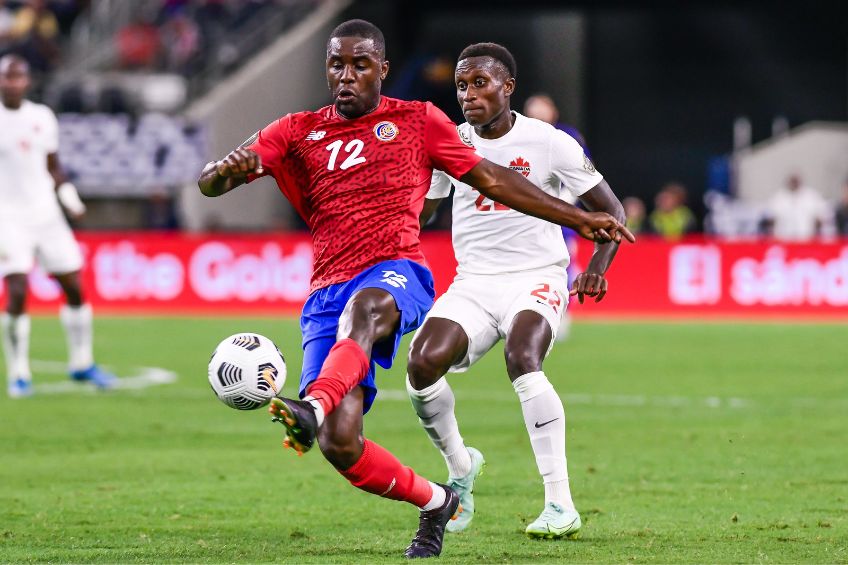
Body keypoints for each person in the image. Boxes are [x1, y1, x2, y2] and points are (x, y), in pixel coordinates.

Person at [197, 20, 633, 559]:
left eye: (360, 65)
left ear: (382, 68)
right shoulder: (296, 129)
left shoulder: (418, 121)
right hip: (333, 289)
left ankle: (313, 404)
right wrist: (224, 172)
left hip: (397, 273)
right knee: (341, 442)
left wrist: (579, 220)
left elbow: (491, 179)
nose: (346, 75)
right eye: (337, 64)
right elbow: (211, 183)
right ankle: (437, 499)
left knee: (382, 314)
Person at [406, 42, 628, 540]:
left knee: (522, 356)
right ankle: (460, 468)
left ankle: (560, 504)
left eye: (480, 83)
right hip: (474, 284)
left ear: (508, 87)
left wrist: (597, 265)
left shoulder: (550, 143)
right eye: (461, 85)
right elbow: (427, 212)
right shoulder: (451, 141)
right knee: (421, 366)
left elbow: (613, 211)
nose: (468, 94)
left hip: (538, 276)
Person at [0, 55, 116, 398]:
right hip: (9, 218)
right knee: (18, 290)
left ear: (27, 81)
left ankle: (82, 362)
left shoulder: (41, 117)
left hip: (47, 215)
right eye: (6, 77)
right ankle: (18, 373)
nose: (12, 82)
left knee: (75, 287)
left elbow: (53, 165)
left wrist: (69, 198)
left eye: (17, 76)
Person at [764, 174, 832, 241]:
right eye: (792, 180)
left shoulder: (812, 196)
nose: (794, 183)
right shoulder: (778, 198)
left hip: (806, 240)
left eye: (796, 180)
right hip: (783, 240)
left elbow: (823, 217)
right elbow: (769, 219)